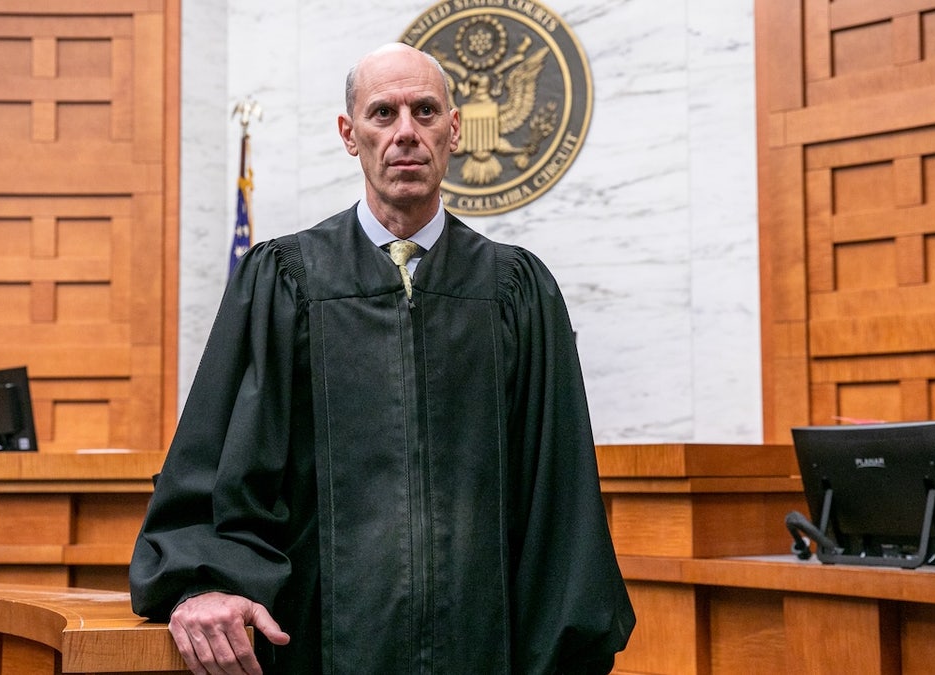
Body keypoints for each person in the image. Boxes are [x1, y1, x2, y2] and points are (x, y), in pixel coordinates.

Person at [130, 42, 634, 675]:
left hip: (480, 649)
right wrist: (206, 579)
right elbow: (219, 459)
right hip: (316, 646)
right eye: (383, 114)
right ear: (350, 134)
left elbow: (557, 496)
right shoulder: (287, 281)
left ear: (454, 130)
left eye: (425, 111)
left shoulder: (513, 291)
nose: (406, 133)